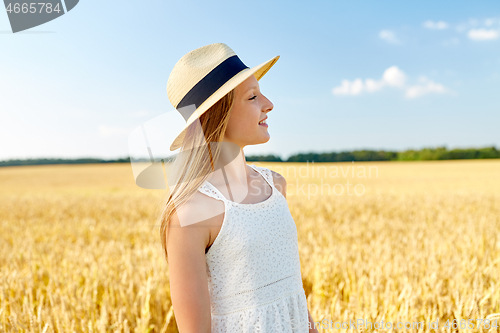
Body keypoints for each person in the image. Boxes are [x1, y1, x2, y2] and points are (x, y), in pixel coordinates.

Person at [159, 43, 319, 333]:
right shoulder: (190, 214)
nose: (268, 103)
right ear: (216, 115)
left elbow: (290, 288)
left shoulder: (276, 185)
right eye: (253, 97)